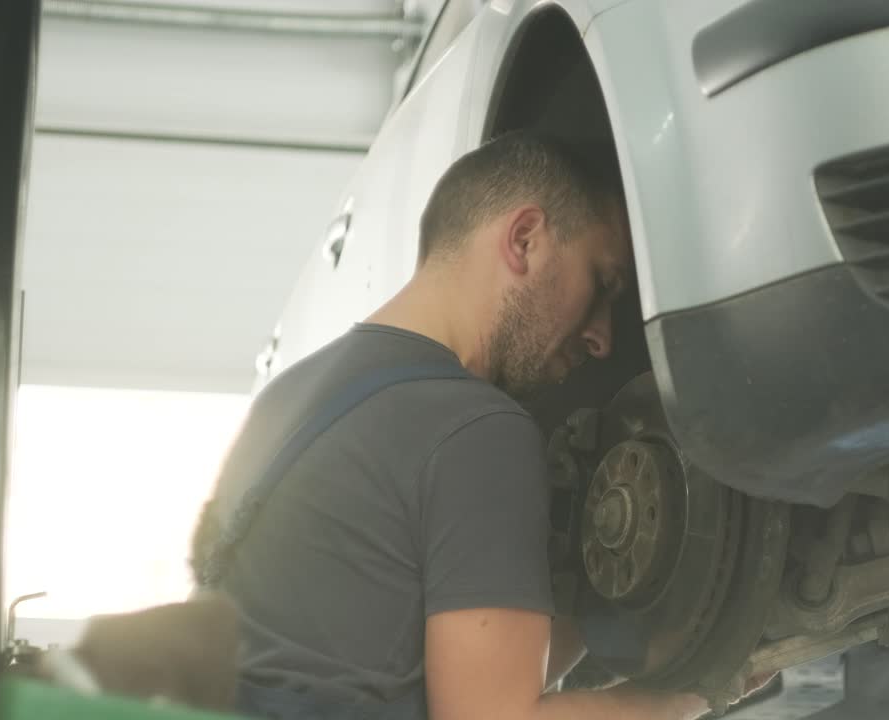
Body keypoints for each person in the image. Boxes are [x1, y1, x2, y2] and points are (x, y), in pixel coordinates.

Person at [189, 131, 762, 720]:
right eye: (602, 282)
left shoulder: (283, 403)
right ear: (524, 239)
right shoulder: (471, 429)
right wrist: (694, 694)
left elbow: (454, 671)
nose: (602, 336)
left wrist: (601, 606)